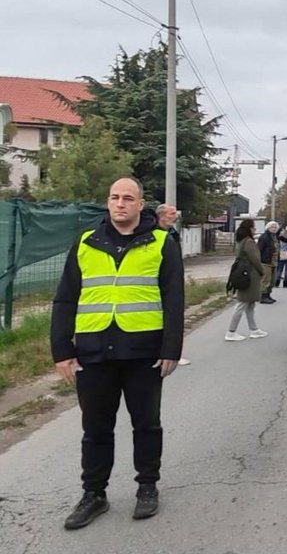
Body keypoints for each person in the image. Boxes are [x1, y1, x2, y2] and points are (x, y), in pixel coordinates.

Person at [51, 177, 185, 529]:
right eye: (114, 197)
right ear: (107, 202)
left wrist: (171, 348)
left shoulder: (161, 243)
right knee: (95, 429)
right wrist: (62, 350)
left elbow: (174, 299)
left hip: (144, 353)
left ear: (141, 204)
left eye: (128, 198)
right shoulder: (86, 242)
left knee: (147, 425)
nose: (120, 203)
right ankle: (94, 494)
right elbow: (65, 298)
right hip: (94, 352)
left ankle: (147, 487)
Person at [155, 204, 191, 367]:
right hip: (157, 282)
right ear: (161, 216)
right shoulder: (154, 234)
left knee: (173, 316)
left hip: (173, 278)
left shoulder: (172, 233)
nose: (176, 216)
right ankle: (161, 352)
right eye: (172, 214)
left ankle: (172, 352)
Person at [226, 219, 268, 342]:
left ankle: (254, 329)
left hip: (244, 273)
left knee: (250, 304)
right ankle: (231, 331)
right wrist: (262, 270)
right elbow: (255, 259)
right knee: (242, 303)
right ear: (249, 228)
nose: (255, 229)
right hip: (249, 275)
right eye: (253, 227)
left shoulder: (241, 240)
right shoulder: (249, 242)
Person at [257, 221, 280, 304]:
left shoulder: (275, 237)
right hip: (266, 261)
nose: (274, 228)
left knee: (272, 280)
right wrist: (261, 259)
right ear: (268, 228)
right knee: (266, 280)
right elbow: (259, 249)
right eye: (272, 227)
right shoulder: (264, 237)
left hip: (274, 261)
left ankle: (268, 294)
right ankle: (263, 296)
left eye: (275, 227)